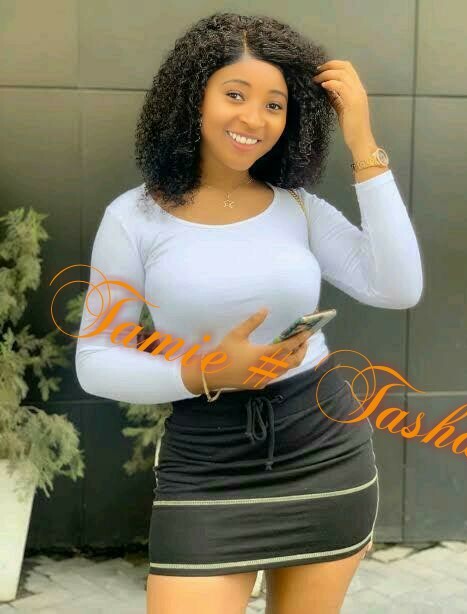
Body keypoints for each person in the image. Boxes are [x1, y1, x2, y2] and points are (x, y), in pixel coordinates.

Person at [75, 11, 424, 614]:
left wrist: (363, 142)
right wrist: (206, 372)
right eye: (235, 95)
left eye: (274, 105)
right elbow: (95, 359)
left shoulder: (299, 209)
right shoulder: (133, 219)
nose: (254, 119)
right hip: (207, 462)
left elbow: (398, 287)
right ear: (193, 96)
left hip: (324, 448)